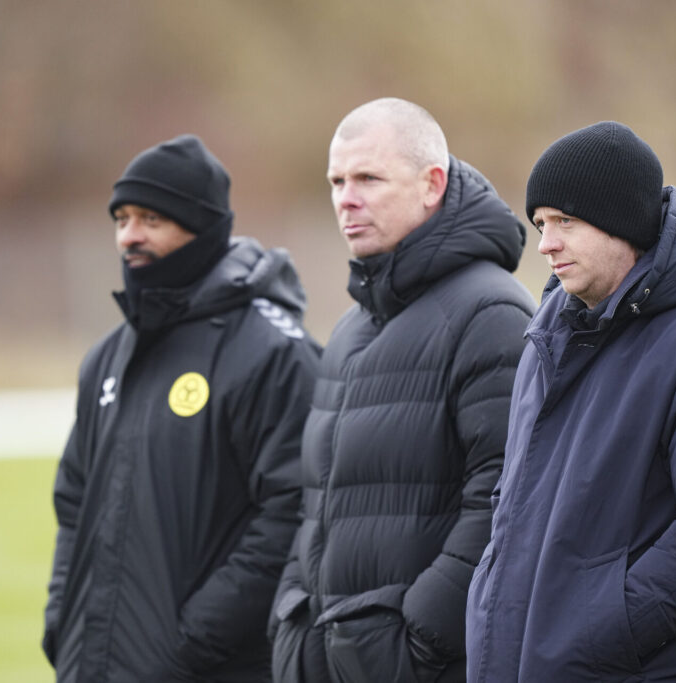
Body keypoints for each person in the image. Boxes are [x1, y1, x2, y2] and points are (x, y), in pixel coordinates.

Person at [466, 121, 676, 681]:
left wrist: (593, 632)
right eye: (540, 223)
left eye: (565, 220)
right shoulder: (550, 338)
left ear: (623, 223)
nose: (545, 243)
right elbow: (513, 503)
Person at [269, 98, 535, 682]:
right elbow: (316, 500)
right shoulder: (347, 329)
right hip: (327, 659)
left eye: (368, 177)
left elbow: (505, 501)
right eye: (337, 181)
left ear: (431, 184)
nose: (346, 197)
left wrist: (420, 638)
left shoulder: (491, 311)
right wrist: (292, 617)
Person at [42, 134, 321, 682]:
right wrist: (62, 620)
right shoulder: (107, 357)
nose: (129, 236)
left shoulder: (272, 353)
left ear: (201, 229)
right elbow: (73, 500)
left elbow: (295, 509)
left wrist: (192, 639)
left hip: (208, 668)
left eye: (150, 219)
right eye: (121, 218)